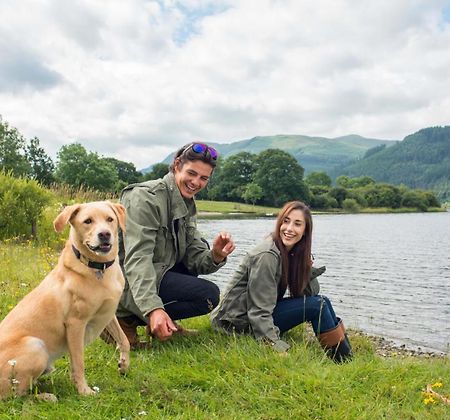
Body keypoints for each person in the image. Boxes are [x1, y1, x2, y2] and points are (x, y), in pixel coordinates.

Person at [113, 142, 235, 348]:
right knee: (208, 294)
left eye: (204, 178)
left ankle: (164, 323)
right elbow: (137, 259)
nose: (196, 182)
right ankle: (124, 318)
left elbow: (194, 257)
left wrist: (215, 255)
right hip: (125, 282)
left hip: (158, 272)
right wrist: (153, 308)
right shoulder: (145, 197)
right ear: (177, 165)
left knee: (206, 291)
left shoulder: (186, 202)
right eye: (192, 173)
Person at [210, 200, 352, 363]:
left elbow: (309, 293)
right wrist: (274, 345)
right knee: (319, 305)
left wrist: (304, 268)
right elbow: (258, 310)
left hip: (246, 315)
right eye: (286, 221)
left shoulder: (289, 251)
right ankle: (344, 361)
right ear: (279, 223)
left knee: (322, 302)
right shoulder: (267, 255)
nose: (290, 228)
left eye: (297, 224)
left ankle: (345, 357)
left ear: (305, 231)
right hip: (234, 323)